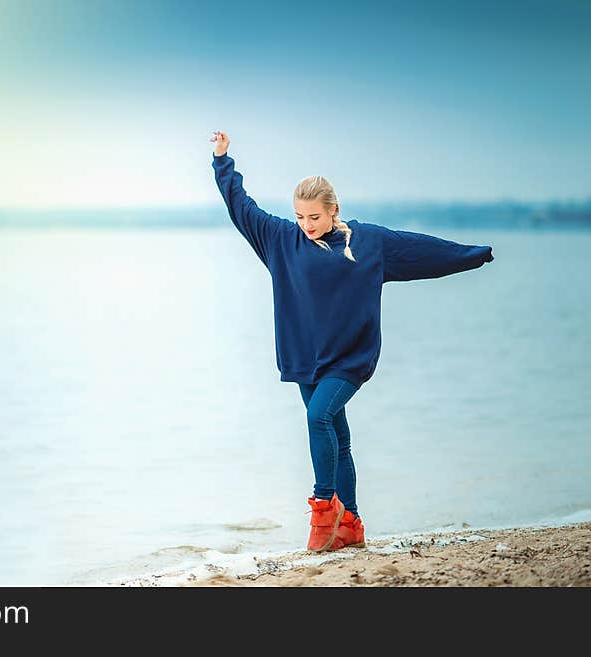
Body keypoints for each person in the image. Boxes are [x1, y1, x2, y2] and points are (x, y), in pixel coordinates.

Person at [209, 130, 495, 552]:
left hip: (349, 360)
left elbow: (422, 251)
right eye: (301, 217)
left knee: (318, 418)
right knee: (337, 438)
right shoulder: (279, 239)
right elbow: (240, 206)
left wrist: (471, 254)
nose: (307, 226)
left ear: (333, 211)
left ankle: (324, 510)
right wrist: (222, 160)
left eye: (315, 218)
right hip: (305, 358)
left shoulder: (365, 242)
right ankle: (352, 525)